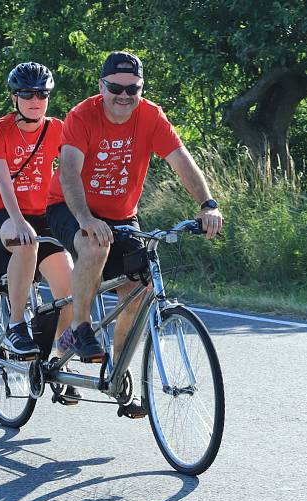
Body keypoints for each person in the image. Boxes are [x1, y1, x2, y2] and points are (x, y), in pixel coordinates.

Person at [46, 51, 223, 417]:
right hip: (69, 206)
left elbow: (181, 160)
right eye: (116, 88)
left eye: (133, 89)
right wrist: (85, 218)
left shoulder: (150, 116)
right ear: (102, 86)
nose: (124, 96)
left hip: (122, 215)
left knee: (140, 292)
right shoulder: (82, 116)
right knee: (93, 247)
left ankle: (117, 370)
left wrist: (207, 204)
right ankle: (80, 327)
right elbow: (69, 174)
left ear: (141, 89)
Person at [0, 61, 80, 403]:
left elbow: (73, 174)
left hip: (43, 215)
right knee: (27, 243)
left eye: (42, 94)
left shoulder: (59, 129)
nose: (35, 100)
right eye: (27, 94)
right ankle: (16, 325)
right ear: (15, 97)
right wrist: (19, 220)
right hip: (1, 214)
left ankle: (62, 361)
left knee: (69, 284)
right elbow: (3, 183)